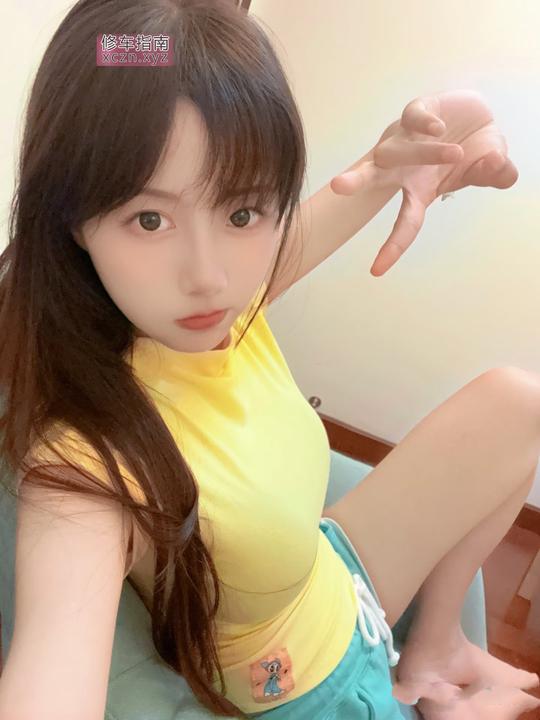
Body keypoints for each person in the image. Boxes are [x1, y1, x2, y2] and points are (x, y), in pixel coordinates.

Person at [0, 1, 539, 719]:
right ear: (73, 215)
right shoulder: (84, 469)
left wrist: (422, 148)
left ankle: (435, 648)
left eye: (242, 211)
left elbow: (362, 182)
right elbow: (51, 675)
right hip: (310, 691)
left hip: (335, 571)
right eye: (149, 219)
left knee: (518, 404)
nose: (209, 276)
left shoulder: (227, 303)